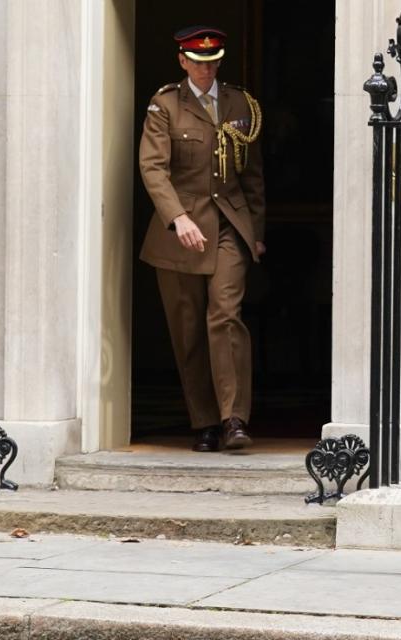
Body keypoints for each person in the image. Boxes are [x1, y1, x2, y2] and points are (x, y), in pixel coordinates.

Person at [138, 26, 265, 452]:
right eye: (197, 61)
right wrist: (178, 217)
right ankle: (204, 421)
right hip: (180, 232)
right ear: (182, 61)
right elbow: (153, 169)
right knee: (188, 329)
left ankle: (233, 419)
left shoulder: (240, 103)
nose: (205, 68)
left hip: (230, 224)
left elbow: (252, 177)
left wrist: (256, 234)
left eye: (212, 62)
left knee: (224, 315)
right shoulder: (164, 105)